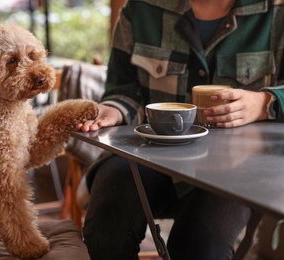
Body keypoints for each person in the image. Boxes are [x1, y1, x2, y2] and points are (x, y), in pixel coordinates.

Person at [77, 0, 284, 259]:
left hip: (240, 167)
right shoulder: (140, 9)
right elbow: (124, 90)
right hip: (148, 154)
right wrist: (113, 109)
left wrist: (265, 102)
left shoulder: (276, 12)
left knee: (201, 243)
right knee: (108, 221)